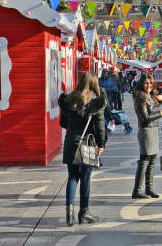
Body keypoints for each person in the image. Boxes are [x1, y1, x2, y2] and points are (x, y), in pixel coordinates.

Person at [58, 72, 107, 227]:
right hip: (88, 143)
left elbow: (63, 123)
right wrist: (101, 144)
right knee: (85, 178)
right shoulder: (96, 102)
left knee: (72, 176)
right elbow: (100, 127)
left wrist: (74, 127)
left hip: (71, 142)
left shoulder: (68, 99)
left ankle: (69, 213)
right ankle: (84, 211)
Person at [132, 74, 162, 199]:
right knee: (144, 161)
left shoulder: (149, 96)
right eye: (146, 83)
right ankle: (137, 190)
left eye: (151, 83)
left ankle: (148, 188)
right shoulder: (140, 97)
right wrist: (161, 113)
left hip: (153, 130)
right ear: (142, 84)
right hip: (146, 131)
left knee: (152, 161)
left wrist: (159, 101)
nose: (149, 85)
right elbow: (145, 118)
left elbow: (151, 109)